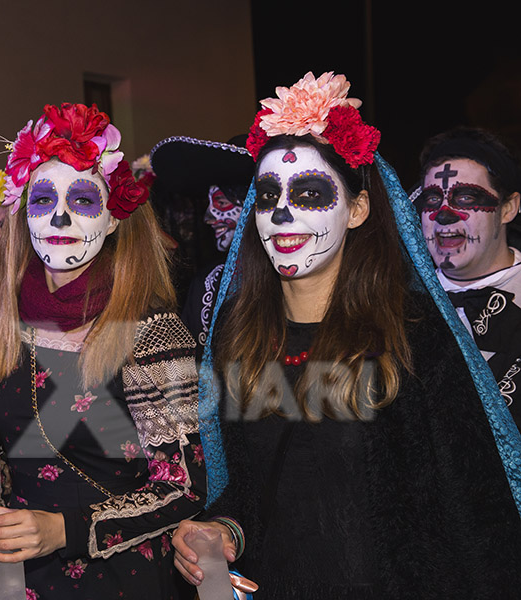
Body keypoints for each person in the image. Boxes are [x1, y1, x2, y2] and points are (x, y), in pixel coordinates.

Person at [171, 72, 521, 598]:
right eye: (267, 196)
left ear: (357, 209)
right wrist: (222, 530)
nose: (282, 213)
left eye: (310, 193)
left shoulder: (413, 336)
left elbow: (475, 514)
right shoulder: (237, 337)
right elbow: (252, 490)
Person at [0, 102, 206, 599]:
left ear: (113, 220)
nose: (59, 216)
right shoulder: (7, 325)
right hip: (25, 582)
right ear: (23, 214)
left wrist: (64, 530)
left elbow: (183, 486)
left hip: (121, 580)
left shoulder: (151, 329)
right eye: (41, 200)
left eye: (81, 200)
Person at [415, 126, 521, 413]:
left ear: (509, 208)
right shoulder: (397, 304)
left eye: (466, 198)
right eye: (432, 200)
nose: (443, 215)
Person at [150, 135, 254, 353]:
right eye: (208, 204)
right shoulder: (208, 283)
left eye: (222, 203)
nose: (209, 217)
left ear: (252, 204)